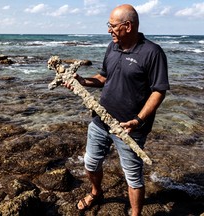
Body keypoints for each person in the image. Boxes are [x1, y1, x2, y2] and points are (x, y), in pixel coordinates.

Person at [64, 4, 170, 216]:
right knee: (91, 162)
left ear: (128, 26)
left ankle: (136, 213)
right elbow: (104, 77)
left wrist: (138, 120)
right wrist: (83, 80)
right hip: (100, 121)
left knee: (133, 175)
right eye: (109, 25)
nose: (109, 30)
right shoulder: (112, 47)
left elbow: (158, 91)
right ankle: (96, 193)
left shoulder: (153, 53)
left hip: (129, 129)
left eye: (112, 26)